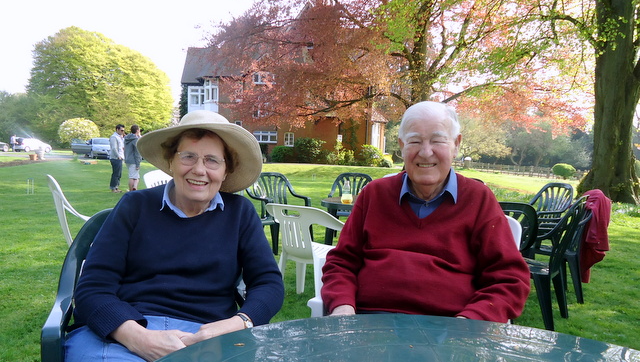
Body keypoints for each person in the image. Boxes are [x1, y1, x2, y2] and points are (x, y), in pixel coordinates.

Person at [66, 110, 285, 361]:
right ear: (171, 161)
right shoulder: (134, 206)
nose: (199, 170)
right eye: (188, 156)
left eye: (212, 160)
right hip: (126, 331)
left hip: (209, 337)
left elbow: (268, 283)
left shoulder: (240, 213)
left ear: (226, 170)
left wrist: (237, 323)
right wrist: (139, 339)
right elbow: (92, 288)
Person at [321, 101, 530, 323]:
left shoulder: (478, 199)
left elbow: (509, 279)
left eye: (437, 140)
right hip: (369, 322)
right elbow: (341, 262)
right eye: (415, 141)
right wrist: (343, 307)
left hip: (450, 327)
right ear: (402, 146)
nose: (426, 152)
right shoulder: (374, 194)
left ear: (456, 145)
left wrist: (469, 322)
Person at [124, 124, 142, 191]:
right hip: (133, 160)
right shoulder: (135, 140)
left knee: (135, 176)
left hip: (127, 159)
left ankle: (134, 188)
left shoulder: (127, 138)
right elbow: (137, 152)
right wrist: (138, 164)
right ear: (137, 130)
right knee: (132, 177)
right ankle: (132, 190)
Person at [109, 124, 125, 193]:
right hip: (115, 158)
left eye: (123, 130)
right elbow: (114, 148)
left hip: (120, 157)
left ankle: (116, 187)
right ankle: (113, 188)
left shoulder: (120, 137)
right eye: (121, 130)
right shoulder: (114, 137)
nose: (123, 132)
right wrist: (118, 156)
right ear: (117, 129)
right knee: (116, 173)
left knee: (119, 174)